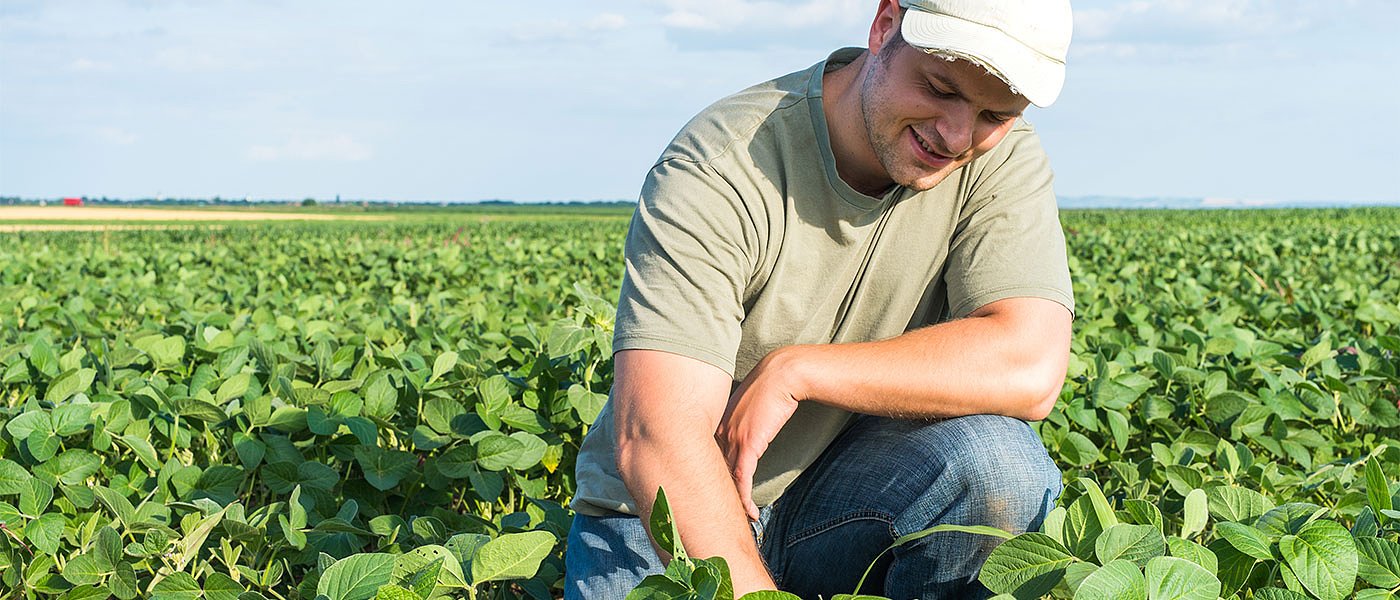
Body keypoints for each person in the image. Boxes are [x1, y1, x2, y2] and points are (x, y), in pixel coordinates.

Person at [566, 0, 1076, 597]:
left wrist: (798, 370)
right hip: (666, 517)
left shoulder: (1001, 160)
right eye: (940, 88)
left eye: (995, 113)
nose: (957, 135)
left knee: (1001, 467)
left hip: (841, 502)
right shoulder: (725, 163)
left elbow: (1031, 364)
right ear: (885, 26)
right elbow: (658, 435)